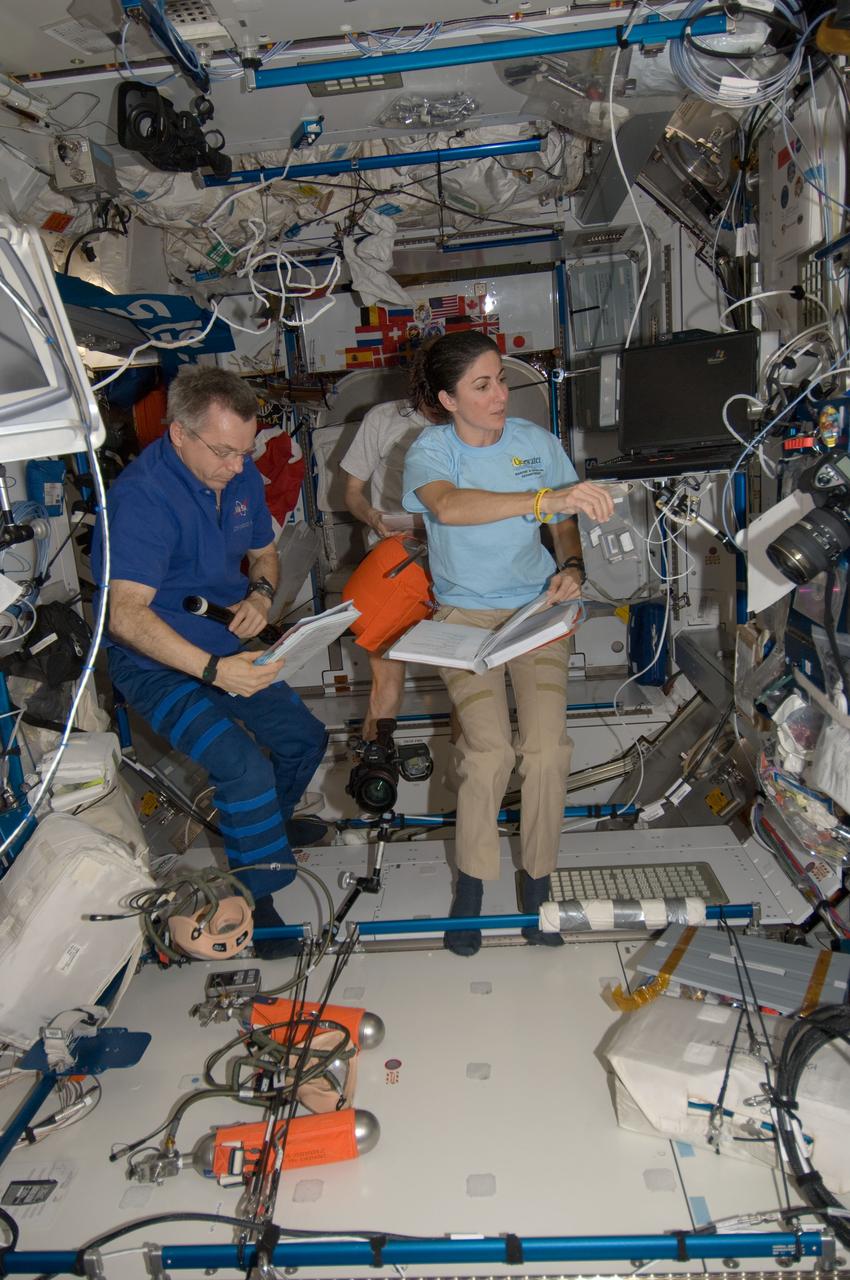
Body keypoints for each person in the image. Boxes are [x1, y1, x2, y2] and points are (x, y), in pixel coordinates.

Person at [91, 367, 328, 959]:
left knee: (304, 740)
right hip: (154, 663)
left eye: (244, 450)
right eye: (223, 451)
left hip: (226, 644)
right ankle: (257, 891)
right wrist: (215, 671)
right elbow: (125, 616)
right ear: (177, 434)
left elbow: (264, 553)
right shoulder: (141, 499)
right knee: (242, 767)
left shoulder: (240, 474)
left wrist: (259, 595)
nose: (237, 465)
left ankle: (263, 832)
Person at [402, 332, 614, 956]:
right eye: (483, 385)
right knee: (490, 752)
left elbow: (563, 526)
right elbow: (452, 509)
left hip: (534, 614)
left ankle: (537, 879)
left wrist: (571, 569)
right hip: (464, 618)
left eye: (501, 380)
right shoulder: (430, 450)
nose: (501, 395)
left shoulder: (536, 444)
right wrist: (546, 497)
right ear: (447, 400)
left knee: (547, 749)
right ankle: (471, 882)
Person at [341, 398, 433, 742]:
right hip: (395, 557)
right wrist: (373, 517)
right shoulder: (384, 417)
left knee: (464, 687)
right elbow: (352, 493)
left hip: (457, 562)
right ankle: (373, 765)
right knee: (386, 684)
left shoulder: (472, 413)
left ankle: (465, 788)